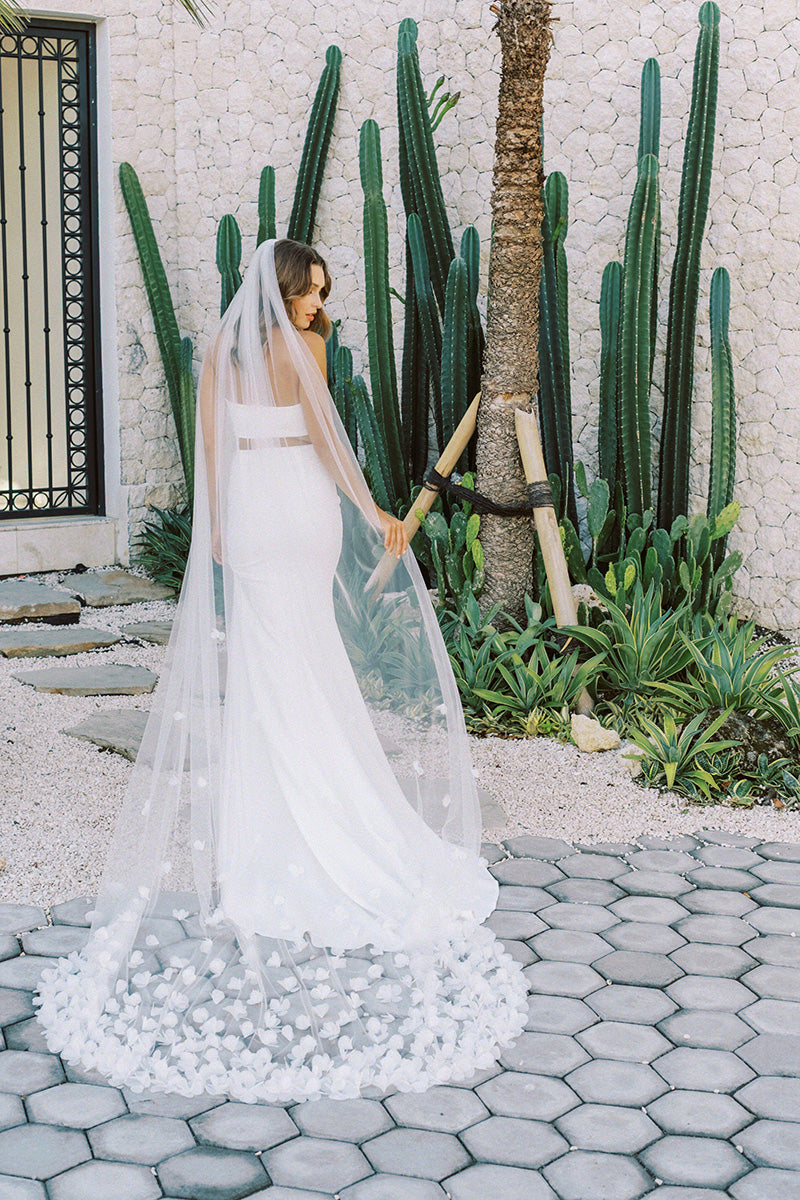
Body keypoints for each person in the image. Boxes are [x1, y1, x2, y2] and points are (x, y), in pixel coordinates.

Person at [36, 238, 528, 1103]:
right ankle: (315, 818)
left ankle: (269, 842)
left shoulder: (217, 357)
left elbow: (213, 452)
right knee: (298, 661)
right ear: (288, 288)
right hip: (301, 507)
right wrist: (373, 505)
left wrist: (218, 526)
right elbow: (332, 449)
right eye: (313, 292)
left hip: (256, 514)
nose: (316, 306)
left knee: (271, 669)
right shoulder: (303, 351)